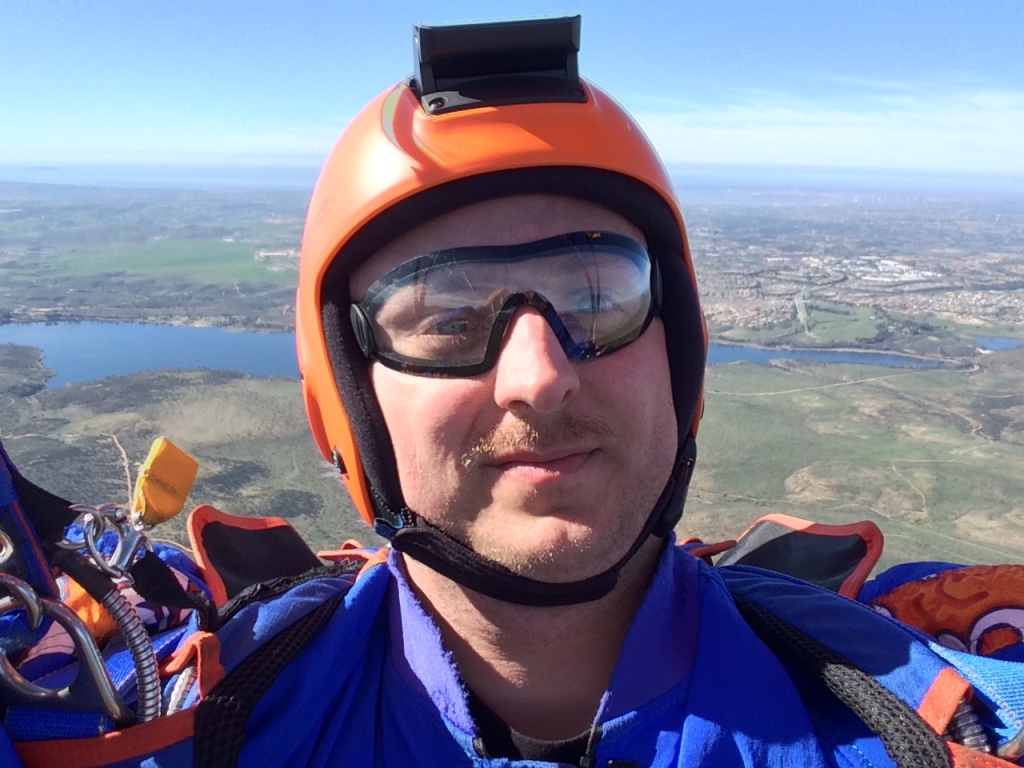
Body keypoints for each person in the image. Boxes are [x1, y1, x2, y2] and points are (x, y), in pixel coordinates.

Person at [1, 14, 1021, 768]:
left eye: (598, 295)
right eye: (446, 317)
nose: (539, 376)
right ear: (341, 409)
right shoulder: (145, 717)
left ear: (680, 360)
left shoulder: (937, 709)